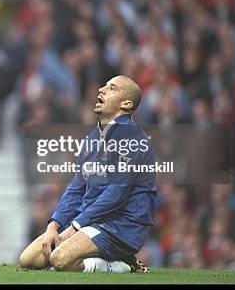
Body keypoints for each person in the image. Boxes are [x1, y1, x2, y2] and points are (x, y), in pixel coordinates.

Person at [19, 75, 156, 273]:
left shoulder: (132, 138)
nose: (101, 89)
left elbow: (117, 193)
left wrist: (73, 228)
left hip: (121, 225)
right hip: (90, 220)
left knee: (59, 259)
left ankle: (123, 264)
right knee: (29, 260)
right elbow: (76, 189)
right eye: (104, 86)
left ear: (126, 103)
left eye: (112, 88)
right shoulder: (93, 137)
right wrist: (53, 226)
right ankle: (95, 253)